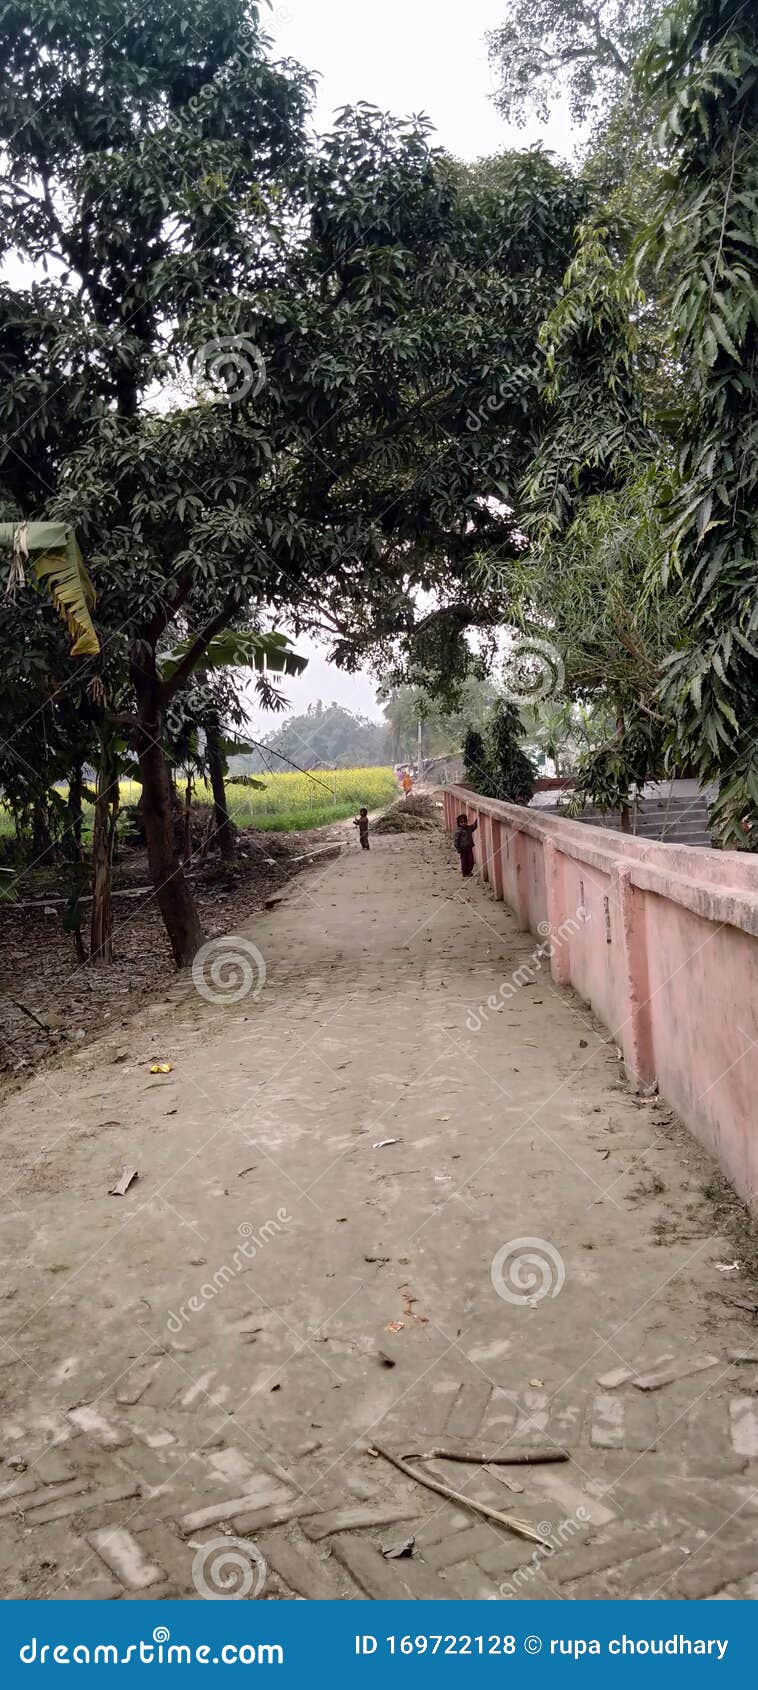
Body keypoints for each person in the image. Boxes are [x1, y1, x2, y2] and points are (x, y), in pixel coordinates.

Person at [453, 811, 477, 877]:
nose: (463, 823)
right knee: (464, 862)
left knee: (471, 861)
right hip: (462, 849)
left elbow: (474, 826)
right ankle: (465, 873)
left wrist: (477, 820)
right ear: (459, 823)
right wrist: (458, 849)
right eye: (461, 822)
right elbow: (456, 841)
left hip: (469, 848)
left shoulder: (469, 828)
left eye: (464, 822)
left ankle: (469, 871)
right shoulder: (458, 831)